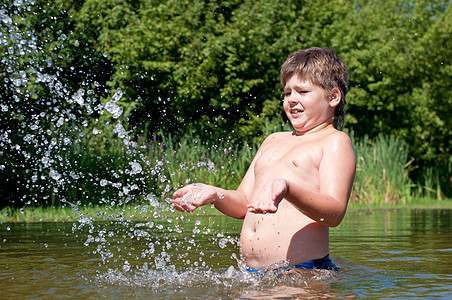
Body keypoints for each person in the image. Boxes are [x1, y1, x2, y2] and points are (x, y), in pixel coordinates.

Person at [170, 47, 356, 272]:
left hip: (305, 273)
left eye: (302, 91)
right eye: (287, 93)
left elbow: (334, 213)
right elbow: (243, 203)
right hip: (253, 275)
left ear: (333, 97)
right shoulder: (273, 140)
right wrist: (214, 194)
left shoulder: (334, 141)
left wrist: (287, 188)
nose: (292, 100)